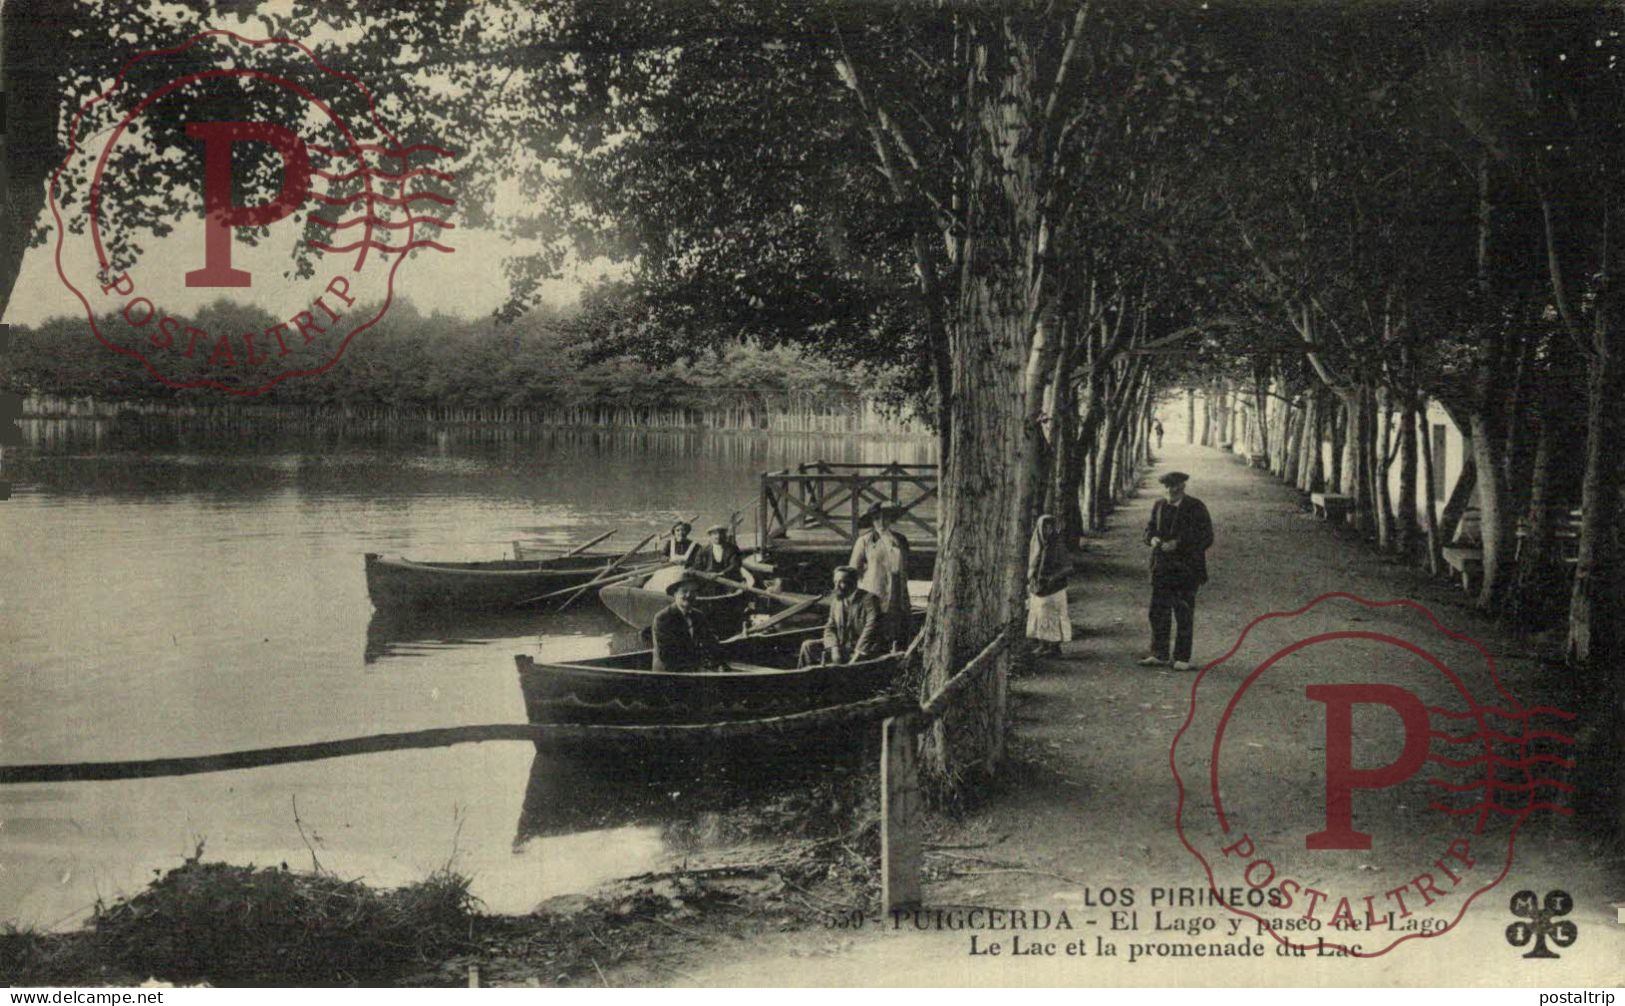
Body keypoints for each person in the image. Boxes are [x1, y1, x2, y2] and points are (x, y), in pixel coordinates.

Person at [1138, 471, 1214, 671]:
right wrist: (1152, 539)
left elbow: (1206, 537)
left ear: (1183, 488)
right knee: (1158, 612)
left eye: (1175, 488)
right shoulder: (1159, 505)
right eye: (1167, 488)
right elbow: (1149, 530)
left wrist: (1179, 544)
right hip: (1161, 569)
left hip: (1186, 570)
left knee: (1183, 612)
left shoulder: (1196, 507)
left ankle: (1182, 657)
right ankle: (1159, 653)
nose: (1170, 491)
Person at [848, 502, 911, 649]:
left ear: (890, 519)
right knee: (875, 624)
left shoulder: (900, 540)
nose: (881, 522)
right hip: (874, 589)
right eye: (877, 518)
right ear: (872, 521)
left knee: (895, 623)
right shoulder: (864, 541)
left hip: (896, 588)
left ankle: (894, 650)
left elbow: (905, 568)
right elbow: (852, 571)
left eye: (885, 518)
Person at [798, 566, 885, 667]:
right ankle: (803, 678)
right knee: (807, 646)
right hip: (843, 648)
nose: (836, 587)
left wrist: (858, 653)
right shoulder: (837, 601)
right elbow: (830, 627)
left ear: (854, 583)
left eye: (841, 582)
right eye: (835, 582)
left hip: (864, 649)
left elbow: (872, 628)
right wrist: (834, 648)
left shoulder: (869, 599)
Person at [652, 571, 727, 672]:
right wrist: (700, 669)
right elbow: (667, 655)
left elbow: (711, 643)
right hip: (668, 675)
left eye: (693, 591)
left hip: (693, 671)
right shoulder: (663, 618)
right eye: (684, 591)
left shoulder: (698, 616)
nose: (689, 595)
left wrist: (720, 663)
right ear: (675, 593)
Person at [1025, 514, 1073, 657]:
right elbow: (1032, 565)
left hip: (1054, 589)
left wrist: (1054, 577)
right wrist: (1032, 577)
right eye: (1044, 527)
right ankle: (1042, 644)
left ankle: (1054, 647)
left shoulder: (1058, 545)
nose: (1048, 530)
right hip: (1039, 588)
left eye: (1050, 526)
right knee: (1040, 615)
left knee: (1053, 616)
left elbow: (1068, 567)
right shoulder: (1036, 545)